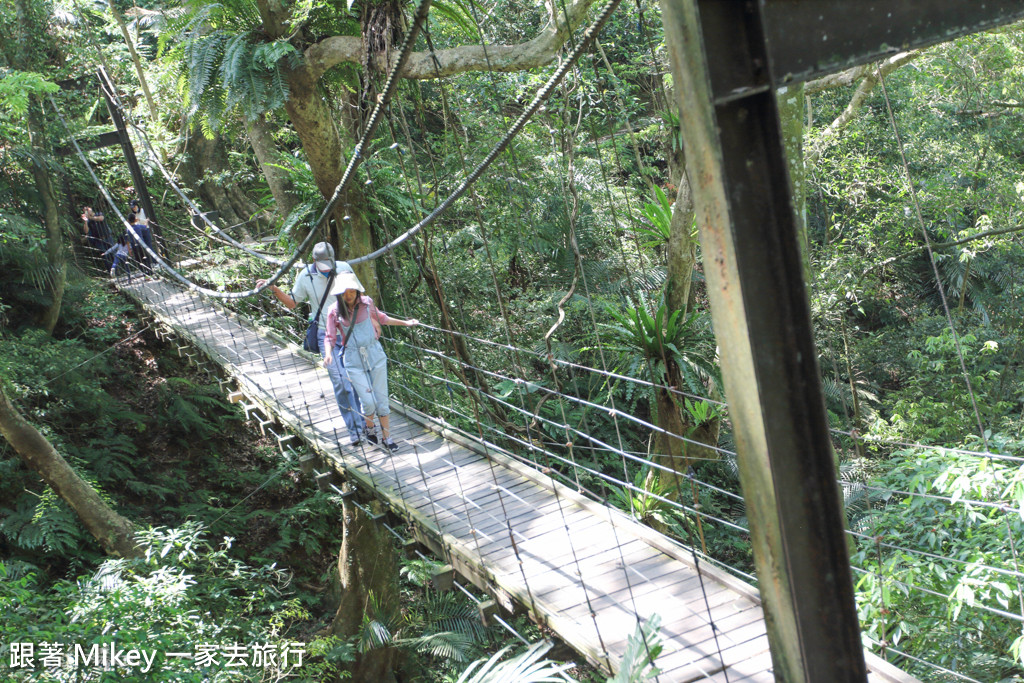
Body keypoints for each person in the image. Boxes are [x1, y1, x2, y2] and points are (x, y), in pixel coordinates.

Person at [257, 242, 371, 445]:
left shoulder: (344, 268)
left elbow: (359, 297)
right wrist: (273, 289)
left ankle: (364, 424)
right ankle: (355, 430)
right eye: (323, 264)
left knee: (354, 379)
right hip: (326, 333)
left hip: (351, 331)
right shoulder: (306, 276)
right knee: (341, 381)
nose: (327, 267)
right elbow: (293, 302)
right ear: (314, 261)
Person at [323, 270, 419, 452]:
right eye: (344, 291)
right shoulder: (333, 311)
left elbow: (382, 318)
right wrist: (328, 354)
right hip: (353, 359)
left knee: (382, 400)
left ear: (357, 291)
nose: (348, 295)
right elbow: (329, 337)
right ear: (338, 293)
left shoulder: (367, 303)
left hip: (375, 355)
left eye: (352, 290)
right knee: (368, 402)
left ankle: (387, 438)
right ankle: (370, 428)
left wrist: (406, 323)